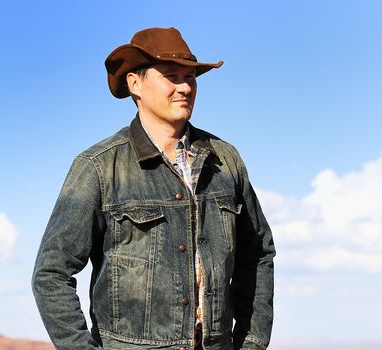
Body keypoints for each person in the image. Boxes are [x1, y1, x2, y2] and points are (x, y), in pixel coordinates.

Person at [31, 27, 275, 350]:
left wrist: (252, 342)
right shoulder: (98, 167)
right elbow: (50, 274)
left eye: (190, 77)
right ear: (136, 84)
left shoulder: (225, 161)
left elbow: (258, 254)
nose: (185, 87)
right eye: (171, 76)